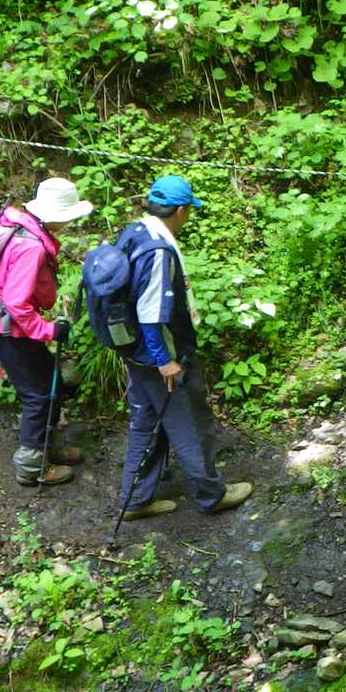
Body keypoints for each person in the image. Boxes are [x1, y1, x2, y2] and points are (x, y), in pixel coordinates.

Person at [115, 175, 252, 520]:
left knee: (147, 422)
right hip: (159, 357)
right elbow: (151, 314)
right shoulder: (159, 252)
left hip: (134, 352)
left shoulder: (134, 232)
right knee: (190, 423)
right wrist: (165, 360)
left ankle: (135, 499)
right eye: (188, 210)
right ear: (180, 211)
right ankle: (211, 496)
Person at [0, 178, 95, 487]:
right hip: (9, 329)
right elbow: (16, 302)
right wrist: (48, 330)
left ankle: (46, 448)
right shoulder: (30, 246)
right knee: (38, 394)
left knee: (49, 380)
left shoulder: (23, 230)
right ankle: (31, 468)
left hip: (9, 326)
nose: (70, 223)